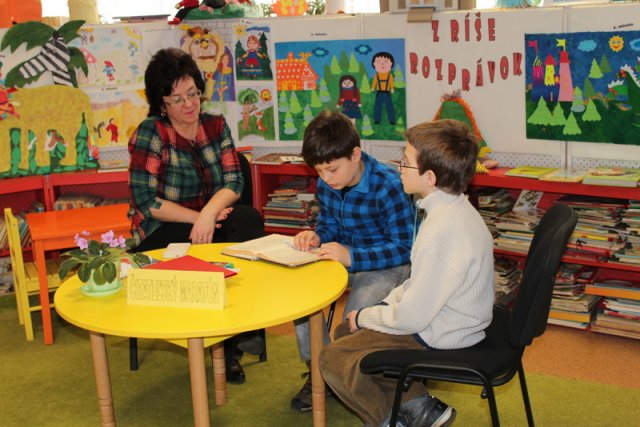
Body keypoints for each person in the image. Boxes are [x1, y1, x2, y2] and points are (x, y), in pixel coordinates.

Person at [319, 119, 495, 426]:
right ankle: (418, 406)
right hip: (454, 318)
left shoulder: (439, 232)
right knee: (347, 332)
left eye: (405, 161)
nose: (399, 167)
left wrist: (367, 316)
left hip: (444, 332)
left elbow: (411, 319)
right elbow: (419, 283)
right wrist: (381, 307)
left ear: (429, 177)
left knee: (332, 359)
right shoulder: (454, 209)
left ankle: (390, 420)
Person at [128, 47, 264, 385]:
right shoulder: (151, 132)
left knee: (248, 220)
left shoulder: (216, 125)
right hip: (164, 227)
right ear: (161, 104)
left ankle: (234, 336)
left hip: (210, 219)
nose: (189, 104)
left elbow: (234, 180)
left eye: (193, 93)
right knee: (212, 242)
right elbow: (146, 202)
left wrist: (208, 214)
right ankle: (226, 343)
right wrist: (197, 219)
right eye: (177, 99)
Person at [291, 110, 415, 411]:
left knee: (353, 320)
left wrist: (352, 256)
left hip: (388, 263)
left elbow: (405, 248)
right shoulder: (329, 182)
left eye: (332, 169)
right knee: (300, 298)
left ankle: (352, 374)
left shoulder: (389, 184)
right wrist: (316, 236)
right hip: (345, 257)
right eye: (319, 171)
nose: (325, 178)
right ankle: (321, 371)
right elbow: (329, 225)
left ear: (355, 154)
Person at [371, 51, 396, 125]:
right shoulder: (376, 75)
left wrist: (392, 88)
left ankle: (391, 120)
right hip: (379, 92)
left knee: (389, 106)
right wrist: (373, 88)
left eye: (385, 62)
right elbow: (374, 82)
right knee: (378, 106)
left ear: (391, 64)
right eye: (379, 62)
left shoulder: (389, 75)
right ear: (374, 64)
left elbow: (391, 82)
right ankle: (377, 120)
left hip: (387, 93)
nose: (382, 64)